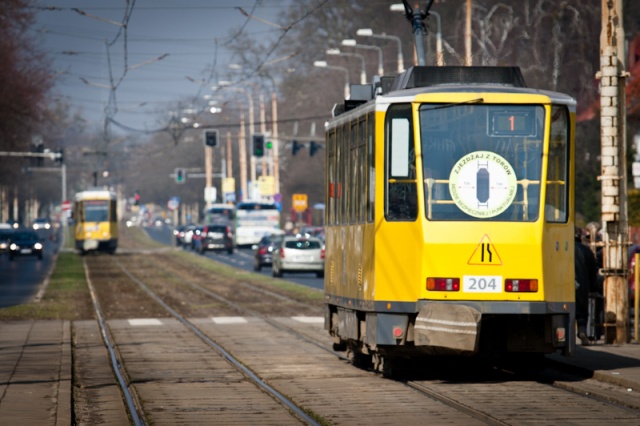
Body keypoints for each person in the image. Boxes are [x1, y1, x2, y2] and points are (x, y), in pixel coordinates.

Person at [574, 226, 599, 346]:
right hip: (582, 285)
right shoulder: (586, 251)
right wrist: (594, 288)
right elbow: (593, 271)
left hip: (563, 285)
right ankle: (582, 331)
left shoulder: (562, 248)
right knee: (581, 312)